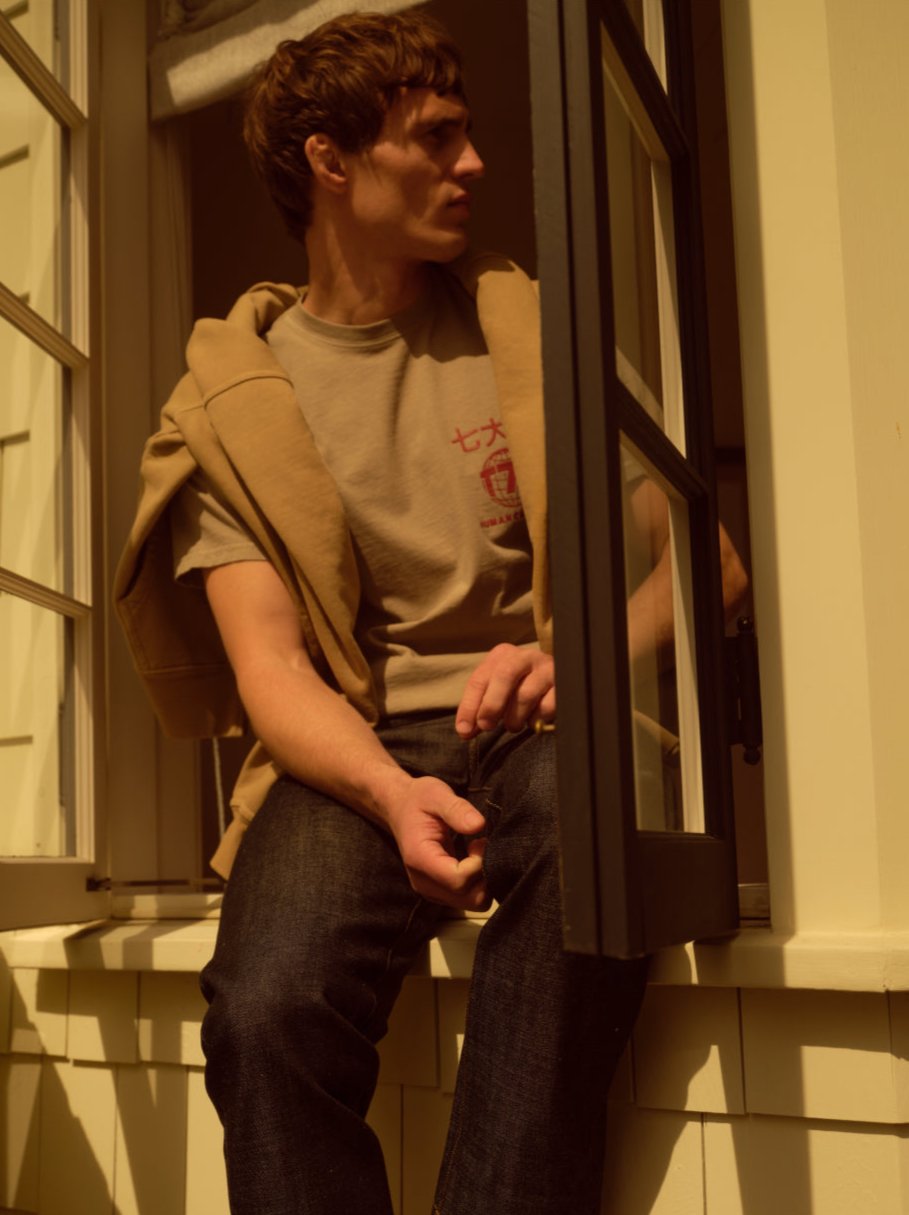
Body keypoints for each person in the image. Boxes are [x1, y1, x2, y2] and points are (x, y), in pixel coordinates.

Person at [115, 11, 744, 1214]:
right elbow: (273, 672)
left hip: (539, 730)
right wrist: (395, 795)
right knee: (265, 1010)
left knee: (589, 832)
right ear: (329, 161)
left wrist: (579, 663)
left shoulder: (534, 340)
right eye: (437, 137)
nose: (476, 164)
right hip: (351, 751)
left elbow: (708, 571)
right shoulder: (228, 407)